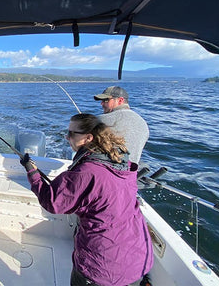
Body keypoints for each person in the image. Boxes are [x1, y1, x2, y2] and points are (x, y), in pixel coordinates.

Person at [21, 114, 153, 286]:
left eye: (71, 133)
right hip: (138, 259)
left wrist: (32, 172)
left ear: (89, 137)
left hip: (103, 267)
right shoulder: (120, 159)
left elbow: (52, 202)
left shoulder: (87, 173)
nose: (67, 137)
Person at [94, 86, 149, 165]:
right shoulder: (143, 123)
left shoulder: (100, 120)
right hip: (130, 174)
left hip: (104, 171)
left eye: (106, 100)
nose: (102, 103)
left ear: (120, 100)